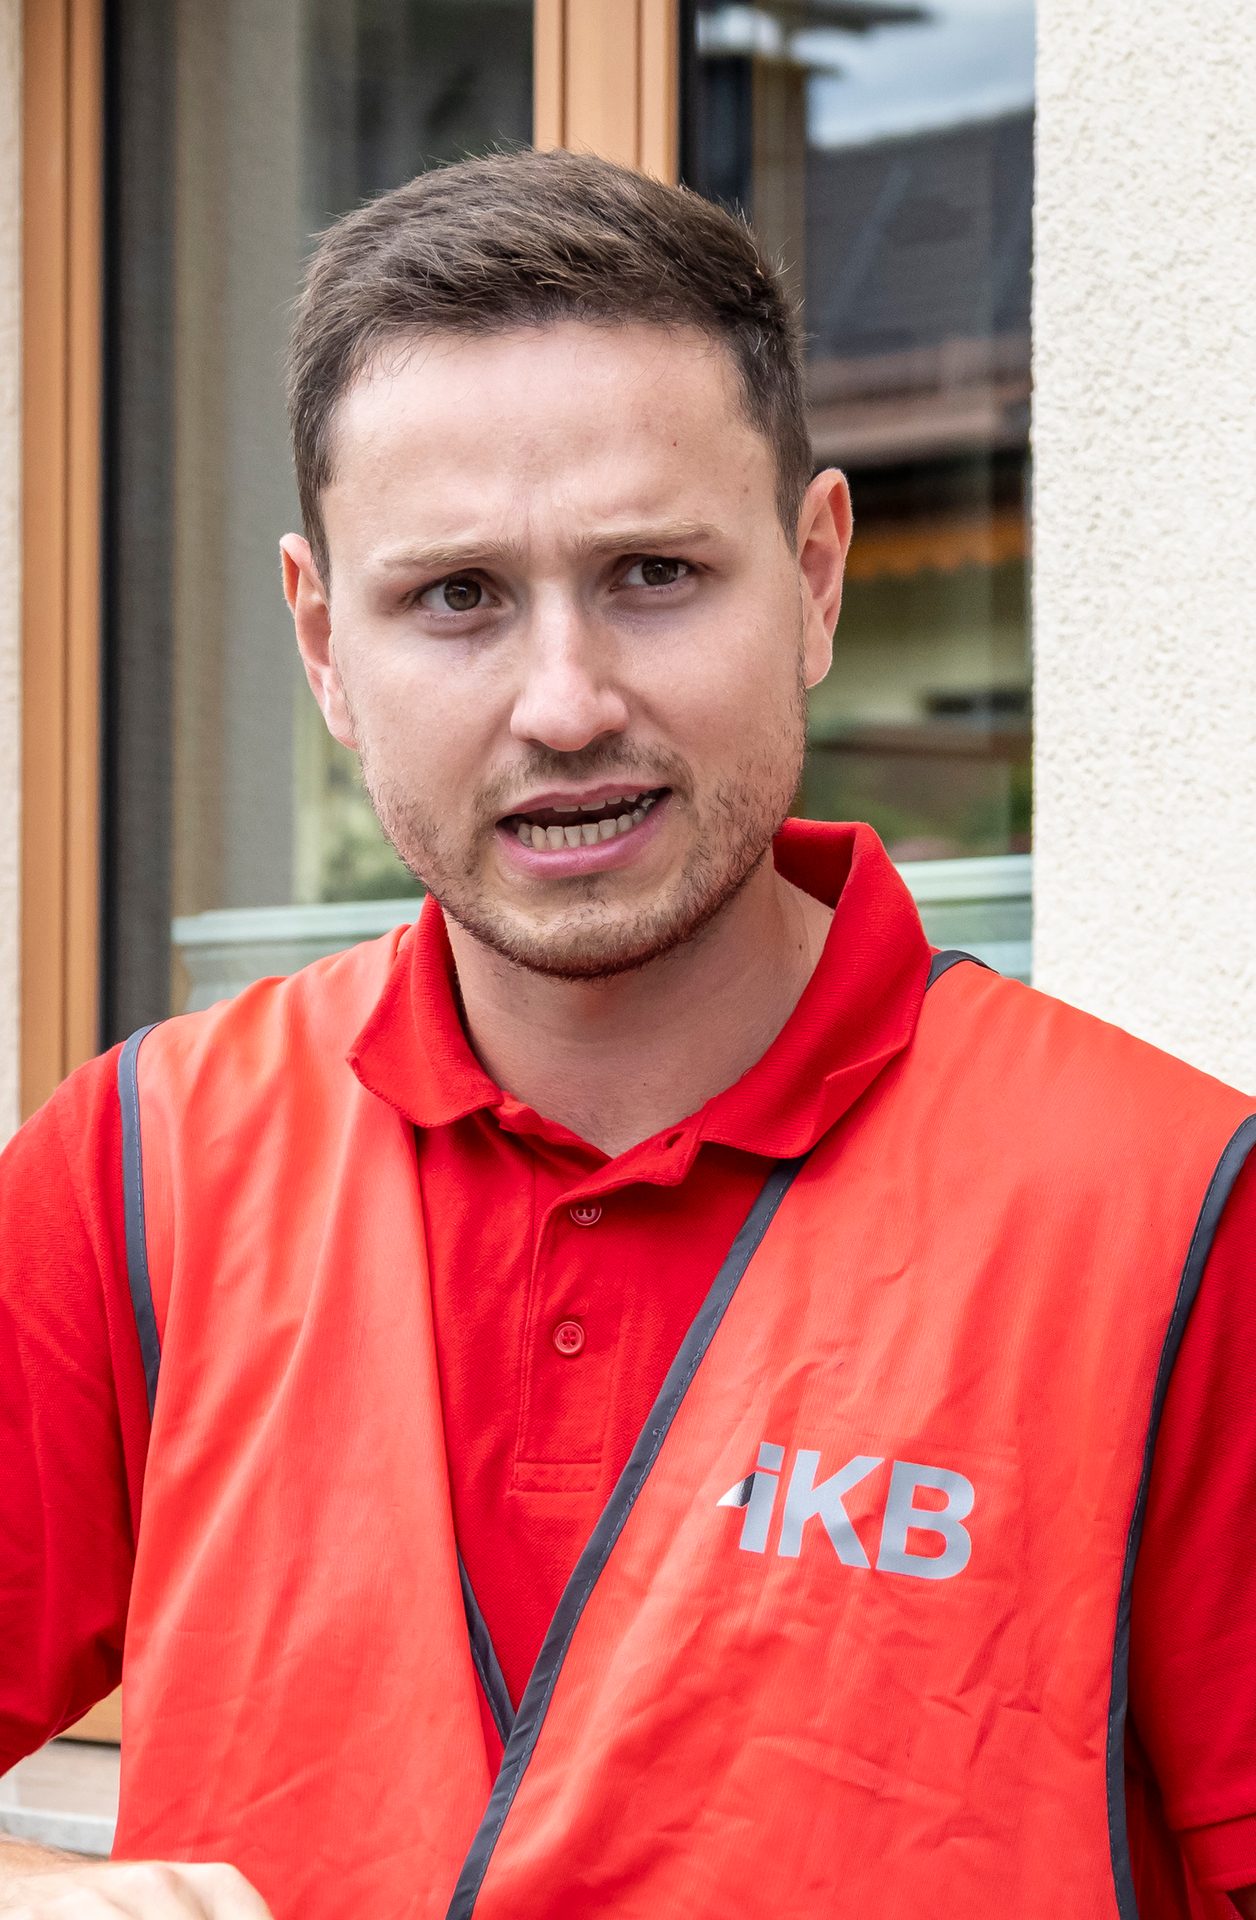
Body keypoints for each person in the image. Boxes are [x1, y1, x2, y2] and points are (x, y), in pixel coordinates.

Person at [1, 149, 1254, 1920]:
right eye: (457, 598)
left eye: (654, 572)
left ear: (816, 577)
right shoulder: (141, 1171)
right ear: (319, 642)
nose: (567, 702)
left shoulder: (1175, 1212)